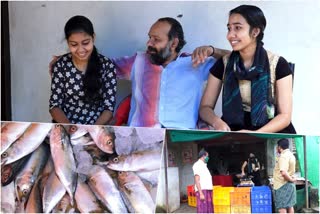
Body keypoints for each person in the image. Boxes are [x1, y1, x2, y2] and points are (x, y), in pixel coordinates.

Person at [50, 17, 229, 129]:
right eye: (149, 37)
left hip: (179, 135)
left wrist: (213, 50)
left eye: (156, 39)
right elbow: (99, 65)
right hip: (139, 136)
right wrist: (69, 58)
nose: (149, 43)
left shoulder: (196, 62)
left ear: (173, 43)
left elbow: (238, 60)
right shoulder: (138, 61)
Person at [194, 5, 296, 133]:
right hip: (233, 131)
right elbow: (205, 107)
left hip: (271, 133)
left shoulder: (278, 64)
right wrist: (217, 122)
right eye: (229, 28)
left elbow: (285, 117)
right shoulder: (224, 64)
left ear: (255, 32)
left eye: (238, 28)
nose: (230, 35)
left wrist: (255, 135)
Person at [49, 15, 117, 125]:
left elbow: (108, 108)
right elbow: (54, 105)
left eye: (85, 43)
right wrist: (70, 129)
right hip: (66, 126)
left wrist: (93, 132)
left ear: (93, 38)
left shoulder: (107, 66)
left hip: (97, 127)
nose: (81, 50)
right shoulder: (61, 65)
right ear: (68, 42)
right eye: (74, 44)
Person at [273, 138, 296, 213]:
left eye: (277, 147)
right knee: (290, 206)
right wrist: (291, 180)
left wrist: (291, 180)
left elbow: (283, 172)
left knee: (281, 207)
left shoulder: (283, 156)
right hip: (289, 184)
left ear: (279, 147)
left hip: (282, 185)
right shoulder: (291, 154)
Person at [192, 149, 213, 213]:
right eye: (207, 156)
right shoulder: (197, 165)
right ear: (203, 156)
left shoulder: (204, 165)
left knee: (208, 209)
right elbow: (196, 179)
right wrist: (201, 193)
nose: (208, 158)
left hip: (207, 190)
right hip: (203, 191)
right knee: (203, 209)